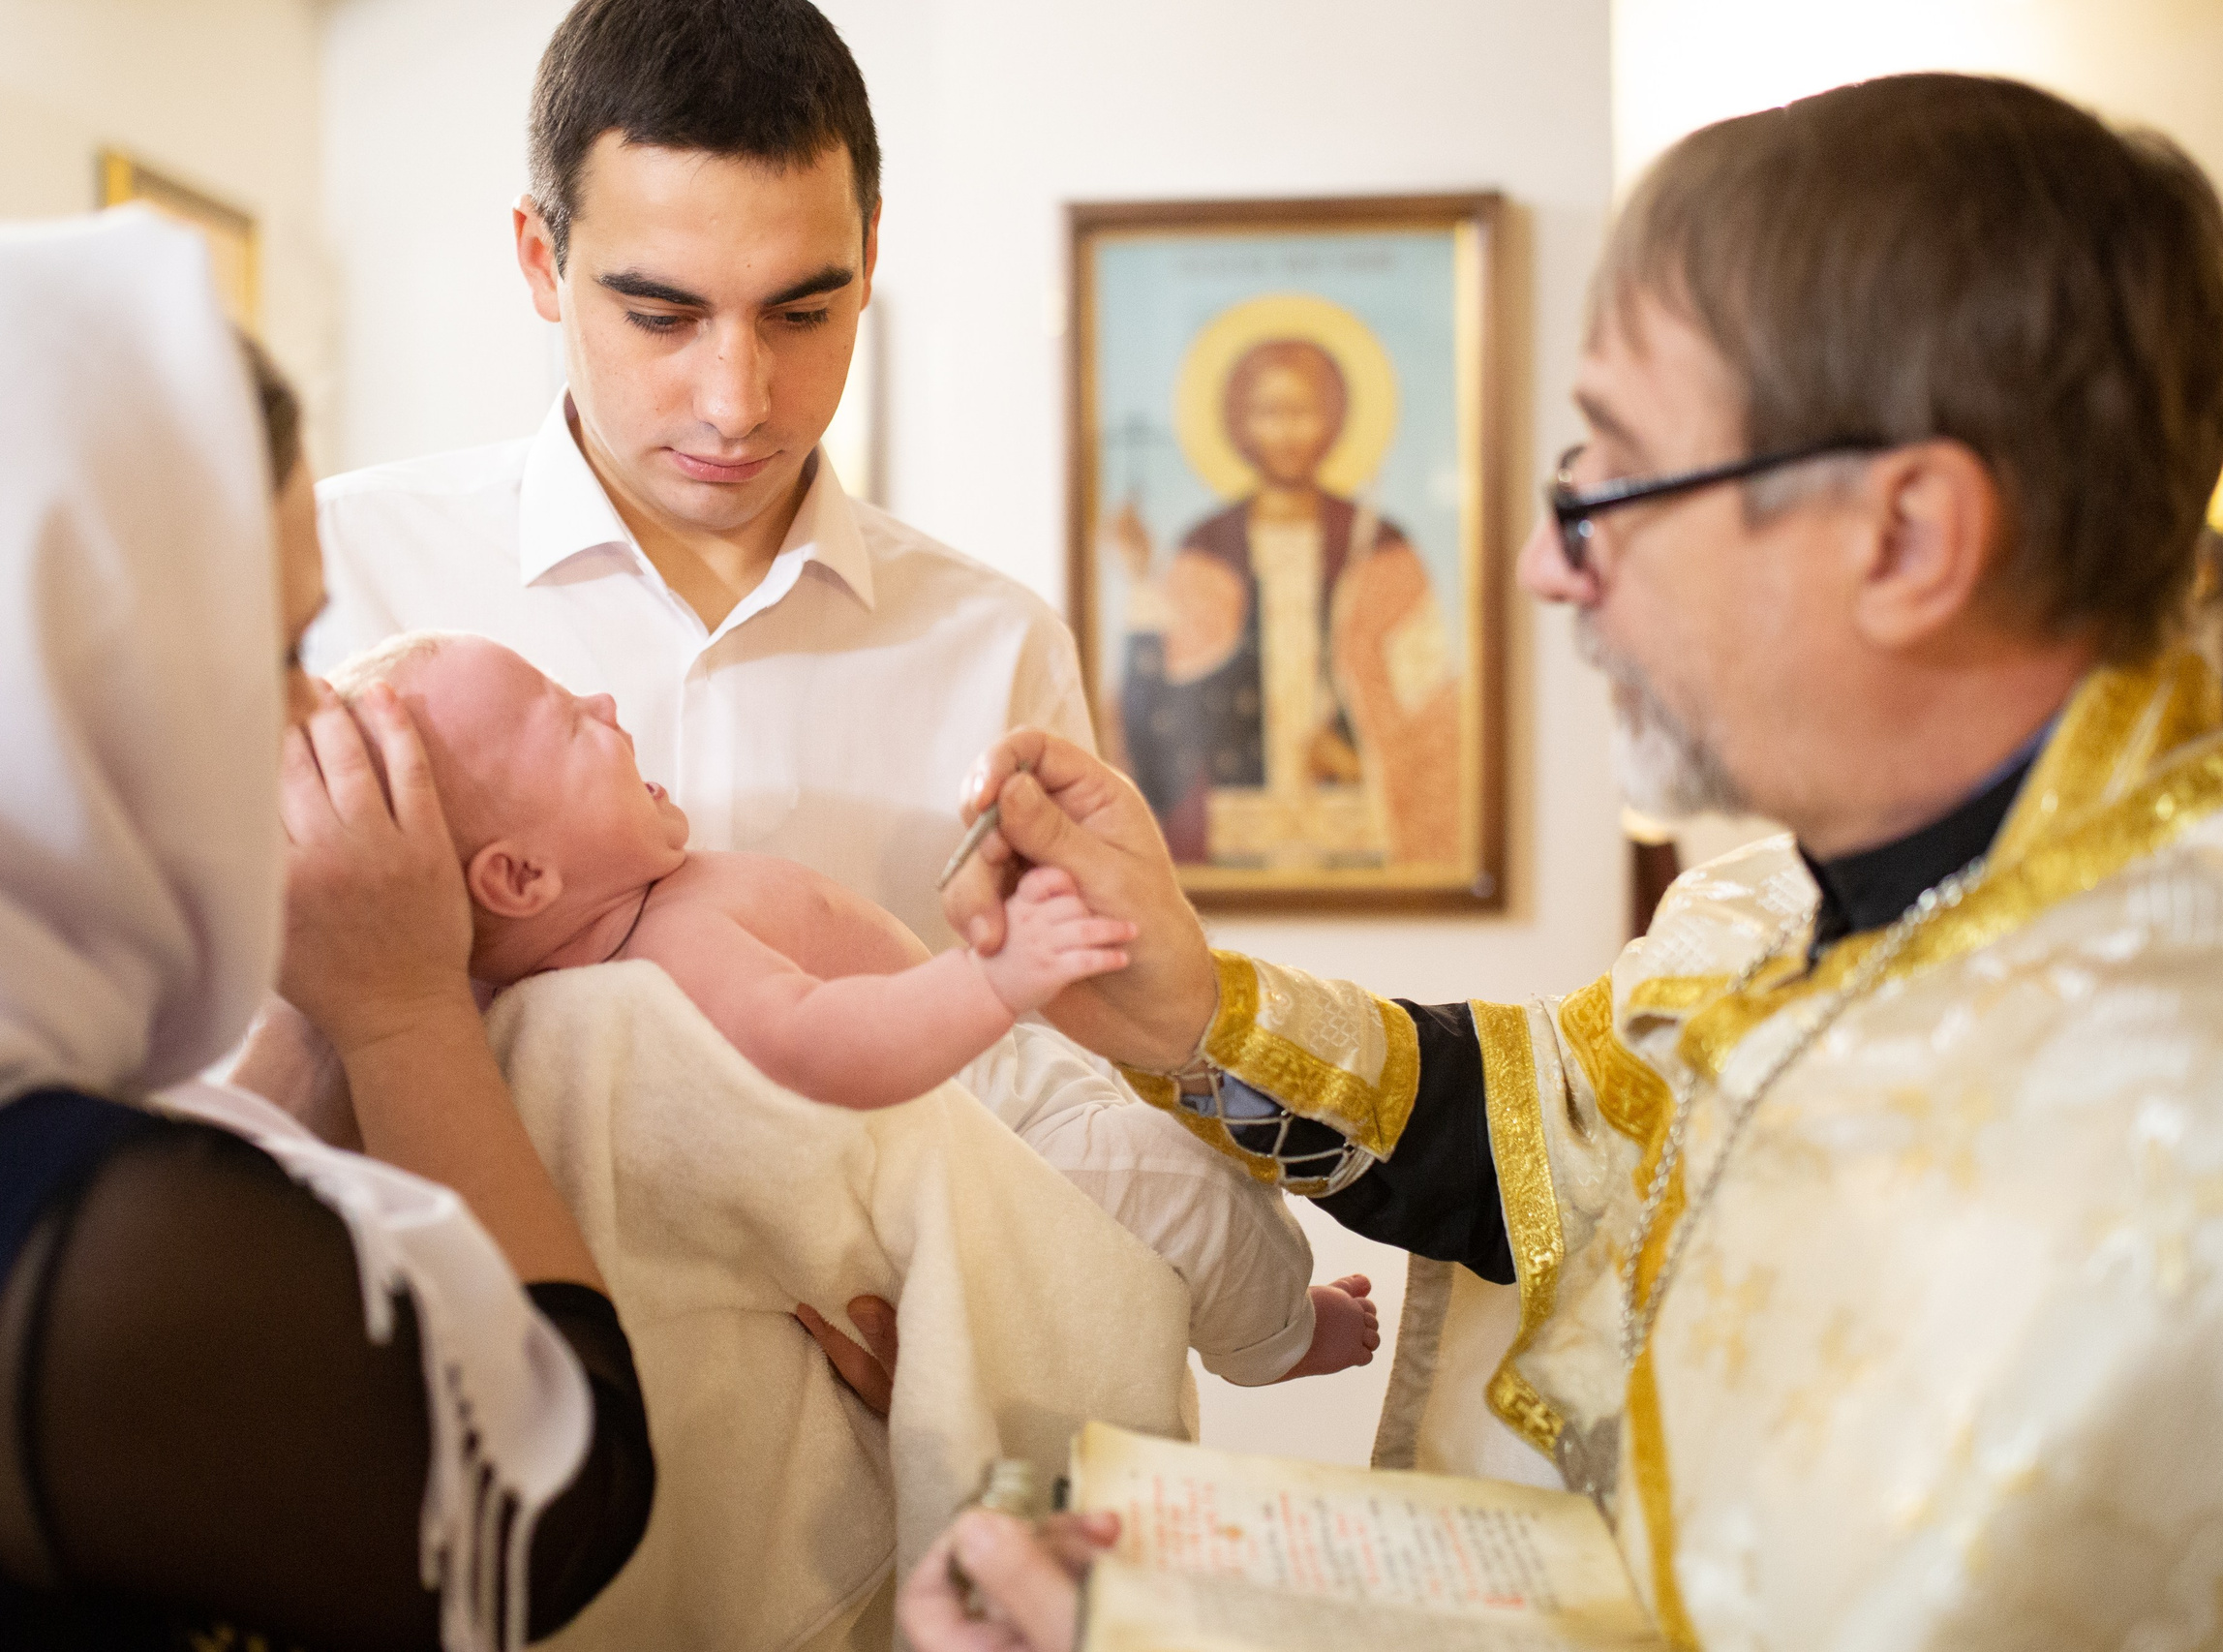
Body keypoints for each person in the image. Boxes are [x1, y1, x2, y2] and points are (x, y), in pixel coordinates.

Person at [918, 73, 2223, 1651]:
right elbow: (1559, 1149)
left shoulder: (2159, 1145)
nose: (1543, 565)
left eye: (1609, 480)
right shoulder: (1784, 899)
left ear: (1904, 538)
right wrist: (1192, 1013)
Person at [295, 0, 1330, 1395]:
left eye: (803, 310)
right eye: (660, 313)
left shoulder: (992, 645)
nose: (737, 398)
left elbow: (1070, 1104)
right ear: (543, 259)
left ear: (872, 256)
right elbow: (219, 1088)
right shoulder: (336, 588)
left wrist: (999, 1322)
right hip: (442, 1424)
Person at [0, 213, 651, 1652]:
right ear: (37, 675)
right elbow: (557, 1483)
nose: (306, 719)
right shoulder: (79, 1251)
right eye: (272, 652)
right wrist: (407, 1010)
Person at [308, 630, 1381, 1379]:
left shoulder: (640, 908)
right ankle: (1274, 1338)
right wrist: (995, 977)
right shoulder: (656, 957)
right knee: (1176, 1183)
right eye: (567, 722)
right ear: (522, 880)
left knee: (1184, 1158)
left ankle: (1267, 1310)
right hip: (992, 1130)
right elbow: (822, 1045)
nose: (603, 702)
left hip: (1009, 1074)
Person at [1112, 337, 1460, 868]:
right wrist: (1141, 580)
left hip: (1357, 830)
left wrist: (1360, 755)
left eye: (1303, 411)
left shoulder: (1382, 548)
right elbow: (1161, 714)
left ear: (1336, 419)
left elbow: (1432, 711)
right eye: (1268, 412)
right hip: (1235, 831)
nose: (1286, 431)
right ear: (1237, 423)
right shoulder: (1206, 548)